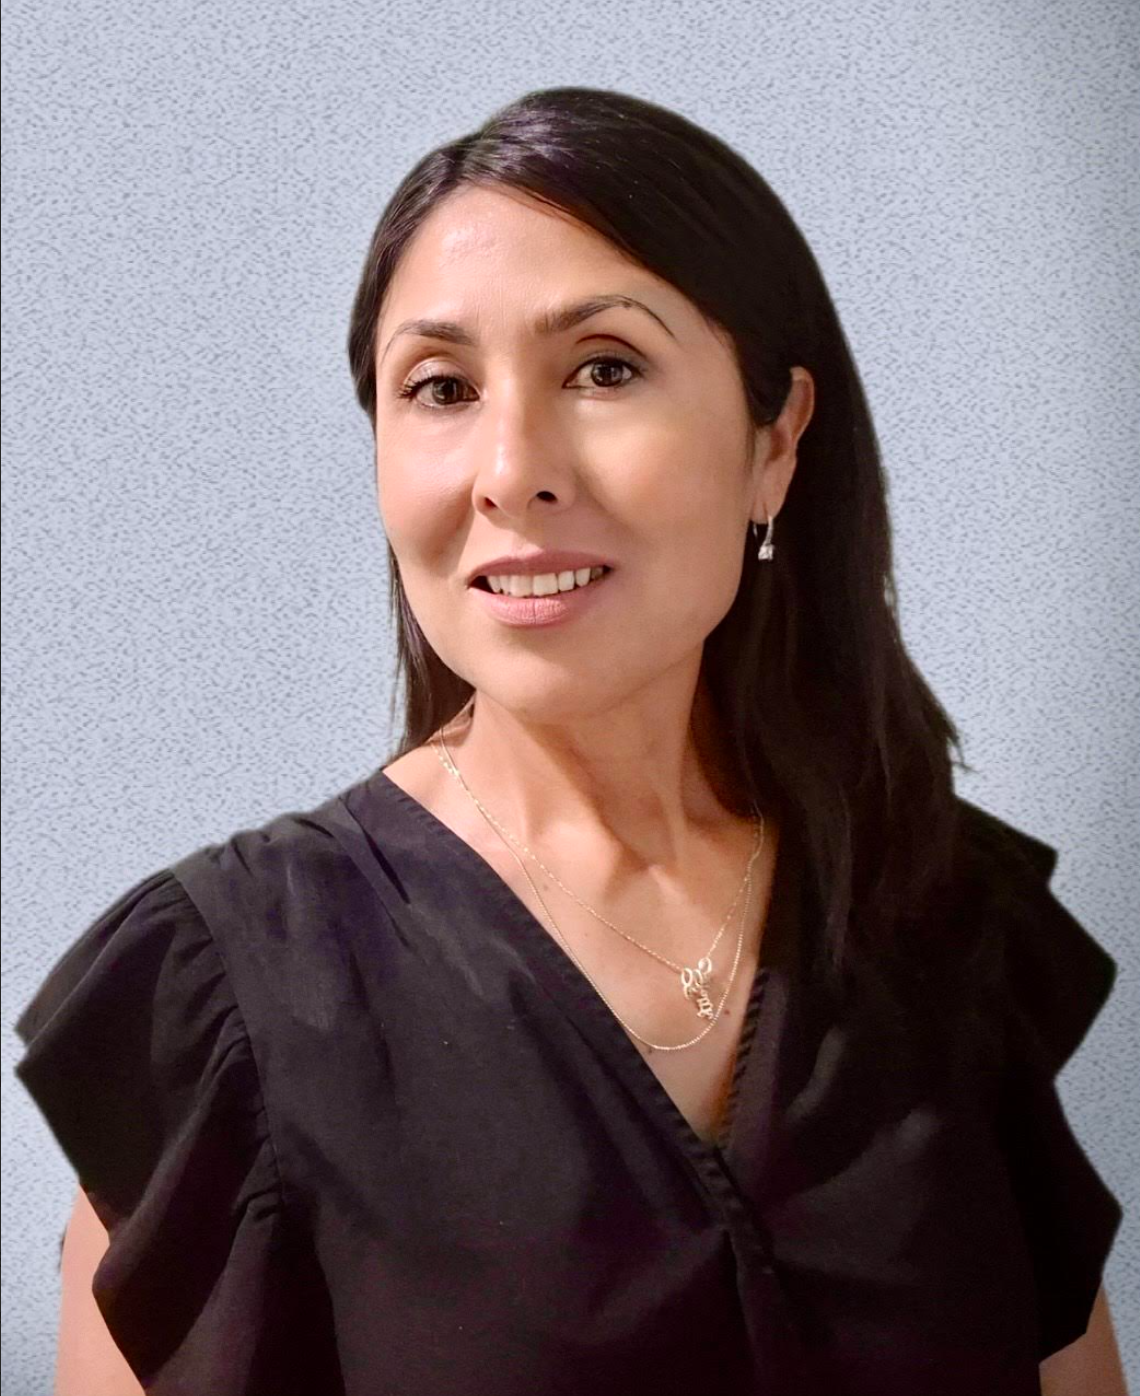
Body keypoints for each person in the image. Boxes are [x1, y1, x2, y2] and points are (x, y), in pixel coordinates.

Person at [14, 86, 1126, 1396]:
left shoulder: (938, 920)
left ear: (776, 442)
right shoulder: (225, 1001)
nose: (511, 468)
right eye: (439, 388)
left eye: (605, 368)